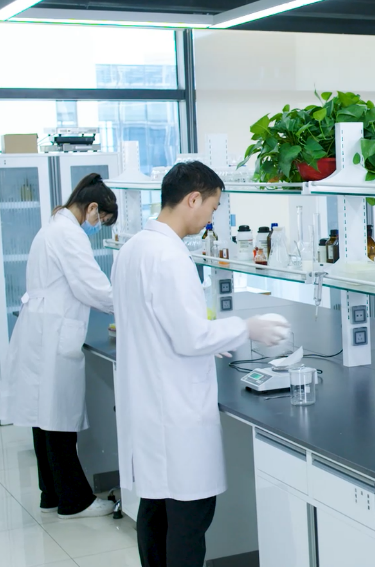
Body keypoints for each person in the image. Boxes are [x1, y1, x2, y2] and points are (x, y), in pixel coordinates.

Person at [111, 161, 289, 567]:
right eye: (212, 206)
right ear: (193, 199)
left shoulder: (133, 249)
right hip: (176, 412)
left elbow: (154, 323)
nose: (211, 217)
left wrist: (214, 337)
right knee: (189, 521)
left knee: (155, 514)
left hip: (148, 403)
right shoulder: (171, 258)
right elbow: (190, 337)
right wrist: (245, 328)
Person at [0, 173, 119, 519]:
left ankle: (51, 493)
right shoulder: (69, 234)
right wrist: (130, 302)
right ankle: (74, 500)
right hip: (52, 332)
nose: (98, 226)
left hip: (42, 328)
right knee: (59, 420)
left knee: (45, 418)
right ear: (92, 208)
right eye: (102, 220)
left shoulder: (54, 226)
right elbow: (92, 287)